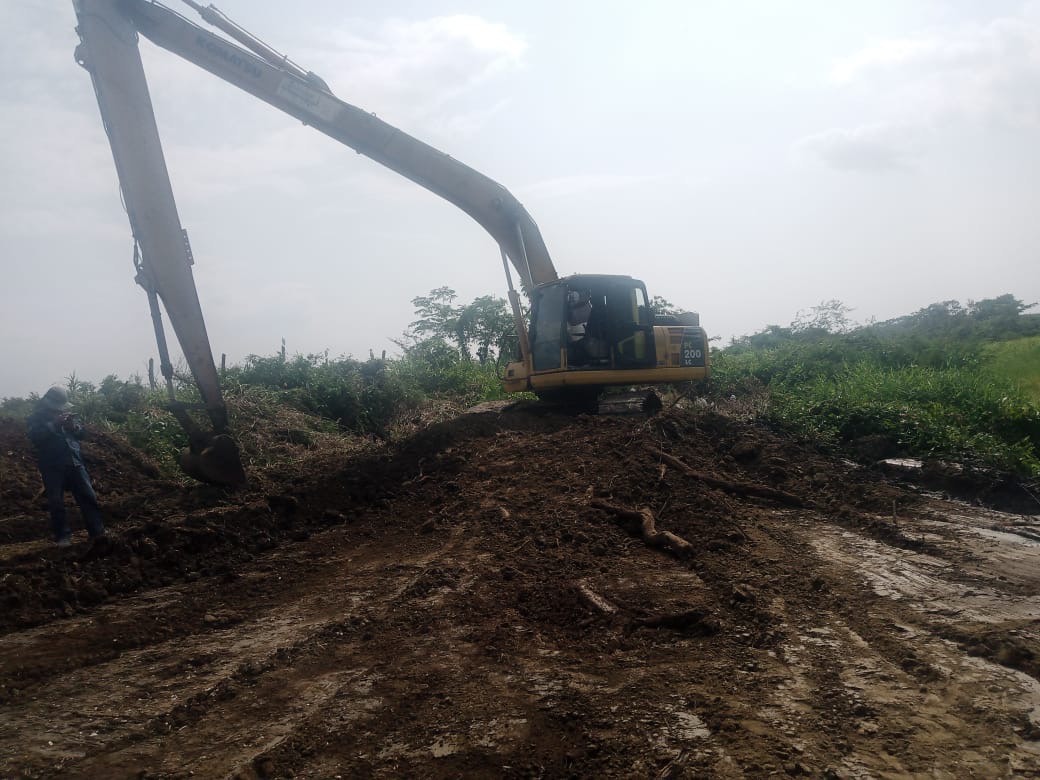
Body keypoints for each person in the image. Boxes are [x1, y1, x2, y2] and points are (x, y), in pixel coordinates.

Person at [26, 386, 106, 547]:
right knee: (56, 502)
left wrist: (74, 427)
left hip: (75, 462)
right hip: (52, 465)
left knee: (88, 497)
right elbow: (35, 437)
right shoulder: (36, 418)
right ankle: (63, 537)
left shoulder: (68, 415)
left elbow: (82, 434)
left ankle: (97, 532)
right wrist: (54, 424)